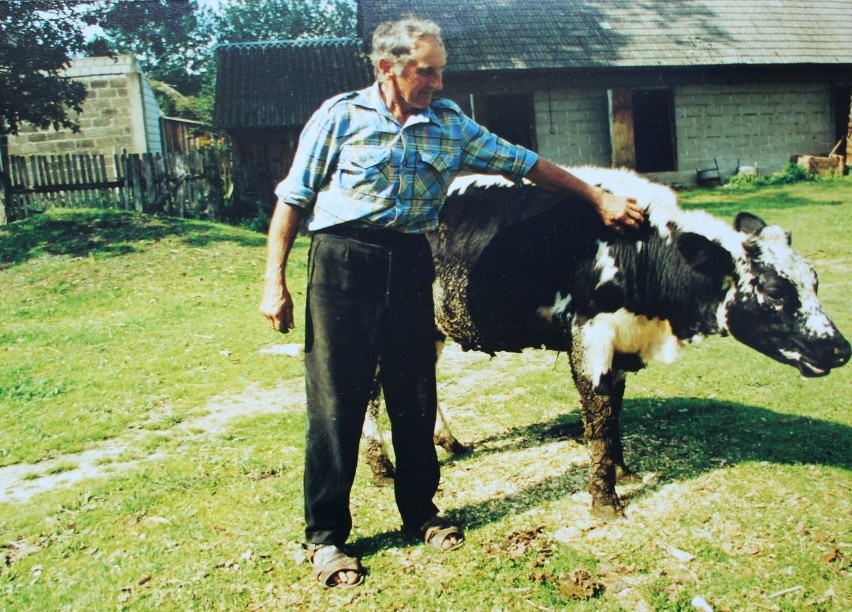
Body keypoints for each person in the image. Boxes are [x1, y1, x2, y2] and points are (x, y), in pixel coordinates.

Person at [260, 17, 644, 588]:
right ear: (387, 68)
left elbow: (524, 163)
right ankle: (327, 537)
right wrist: (276, 281)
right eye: (428, 71)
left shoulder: (450, 124)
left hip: (413, 259)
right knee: (337, 401)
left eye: (441, 70)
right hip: (345, 262)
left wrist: (596, 196)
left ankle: (421, 512)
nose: (439, 82)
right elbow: (292, 201)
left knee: (414, 394)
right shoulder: (339, 116)